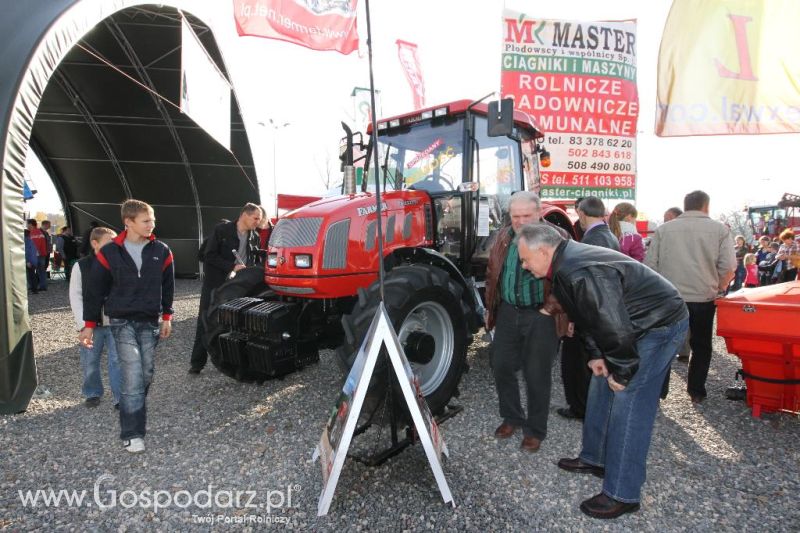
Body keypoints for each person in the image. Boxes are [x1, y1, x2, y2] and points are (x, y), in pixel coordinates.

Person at [515, 223, 688, 519]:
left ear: (543, 250)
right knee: (599, 385)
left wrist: (621, 371)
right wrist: (596, 355)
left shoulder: (577, 269)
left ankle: (623, 492)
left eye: (524, 259)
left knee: (629, 402)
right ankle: (595, 458)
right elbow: (590, 314)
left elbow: (615, 326)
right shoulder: (564, 265)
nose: (524, 266)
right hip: (631, 325)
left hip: (659, 324)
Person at [79, 199, 174, 454]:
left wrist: (167, 316)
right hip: (120, 322)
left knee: (145, 373)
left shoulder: (162, 251)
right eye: (146, 221)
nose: (151, 225)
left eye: (152, 220)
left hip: (150, 321)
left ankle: (134, 404)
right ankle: (132, 433)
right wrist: (88, 325)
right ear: (128, 222)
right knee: (132, 375)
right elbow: (94, 291)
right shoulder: (109, 253)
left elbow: (168, 287)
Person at [484, 191, 568, 452]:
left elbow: (567, 279)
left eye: (526, 215)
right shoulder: (503, 236)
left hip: (541, 313)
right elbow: (493, 273)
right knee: (501, 365)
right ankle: (512, 417)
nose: (520, 221)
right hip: (509, 311)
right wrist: (493, 308)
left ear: (539, 212)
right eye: (515, 216)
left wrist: (551, 309)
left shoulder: (558, 238)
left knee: (537, 373)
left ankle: (535, 430)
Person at [645, 190, 735, 403]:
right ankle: (696, 390)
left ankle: (659, 390)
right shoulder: (720, 230)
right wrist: (719, 286)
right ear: (706, 206)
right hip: (703, 297)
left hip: (669, 296)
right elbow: (729, 265)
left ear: (685, 206)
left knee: (663, 344)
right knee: (701, 345)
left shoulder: (664, 230)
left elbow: (650, 265)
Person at [557, 197, 619, 421]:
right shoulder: (610, 236)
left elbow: (585, 285)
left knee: (576, 364)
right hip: (604, 310)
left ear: (582, 214)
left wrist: (573, 318)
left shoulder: (590, 240)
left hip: (590, 313)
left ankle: (581, 408)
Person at [189, 203, 263, 374]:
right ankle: (197, 363)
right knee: (205, 319)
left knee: (237, 322)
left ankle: (234, 361)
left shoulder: (255, 237)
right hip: (216, 283)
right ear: (244, 214)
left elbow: (254, 260)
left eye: (259, 219)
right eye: (256, 218)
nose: (258, 222)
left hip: (240, 286)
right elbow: (208, 256)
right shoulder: (221, 230)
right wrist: (231, 266)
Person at [69, 227, 121, 408]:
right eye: (110, 241)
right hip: (91, 325)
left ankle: (120, 398)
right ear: (95, 243)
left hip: (116, 322)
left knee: (118, 361)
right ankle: (92, 393)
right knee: (90, 360)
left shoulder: (120, 264)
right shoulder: (81, 266)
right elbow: (75, 296)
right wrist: (83, 325)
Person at [26, 219, 48, 291]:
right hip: (42, 254)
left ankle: (32, 286)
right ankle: (43, 286)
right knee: (41, 271)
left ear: (31, 224)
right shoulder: (40, 232)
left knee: (30, 271)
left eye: (27, 224)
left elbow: (34, 246)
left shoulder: (33, 233)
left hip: (35, 255)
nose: (26, 225)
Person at [24, 229, 39, 294]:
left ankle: (34, 289)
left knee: (31, 276)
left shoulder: (25, 241)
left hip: (29, 261)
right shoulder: (31, 240)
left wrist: (27, 261)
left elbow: (27, 252)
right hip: (34, 260)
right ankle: (34, 289)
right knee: (32, 275)